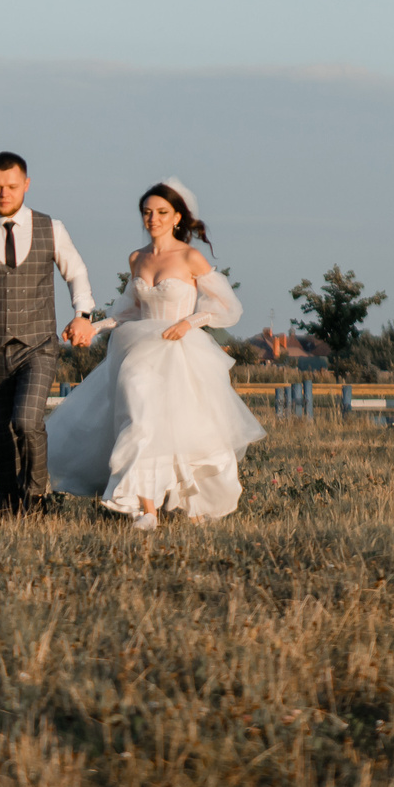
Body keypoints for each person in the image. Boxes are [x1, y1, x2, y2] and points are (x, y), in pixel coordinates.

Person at [46, 179, 265, 527]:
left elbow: (227, 306)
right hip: (137, 351)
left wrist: (190, 322)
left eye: (162, 212)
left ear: (177, 216)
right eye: (147, 212)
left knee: (182, 427)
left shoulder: (191, 256)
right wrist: (93, 327)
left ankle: (180, 501)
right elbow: (127, 312)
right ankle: (144, 507)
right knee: (138, 418)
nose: (153, 219)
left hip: (181, 351)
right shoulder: (137, 258)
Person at [0, 151, 99, 516]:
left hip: (38, 345)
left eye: (11, 187)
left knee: (25, 421)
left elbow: (77, 273)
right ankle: (9, 507)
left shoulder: (51, 228)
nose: (3, 195)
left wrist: (83, 314)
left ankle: (36, 497)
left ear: (26, 184)